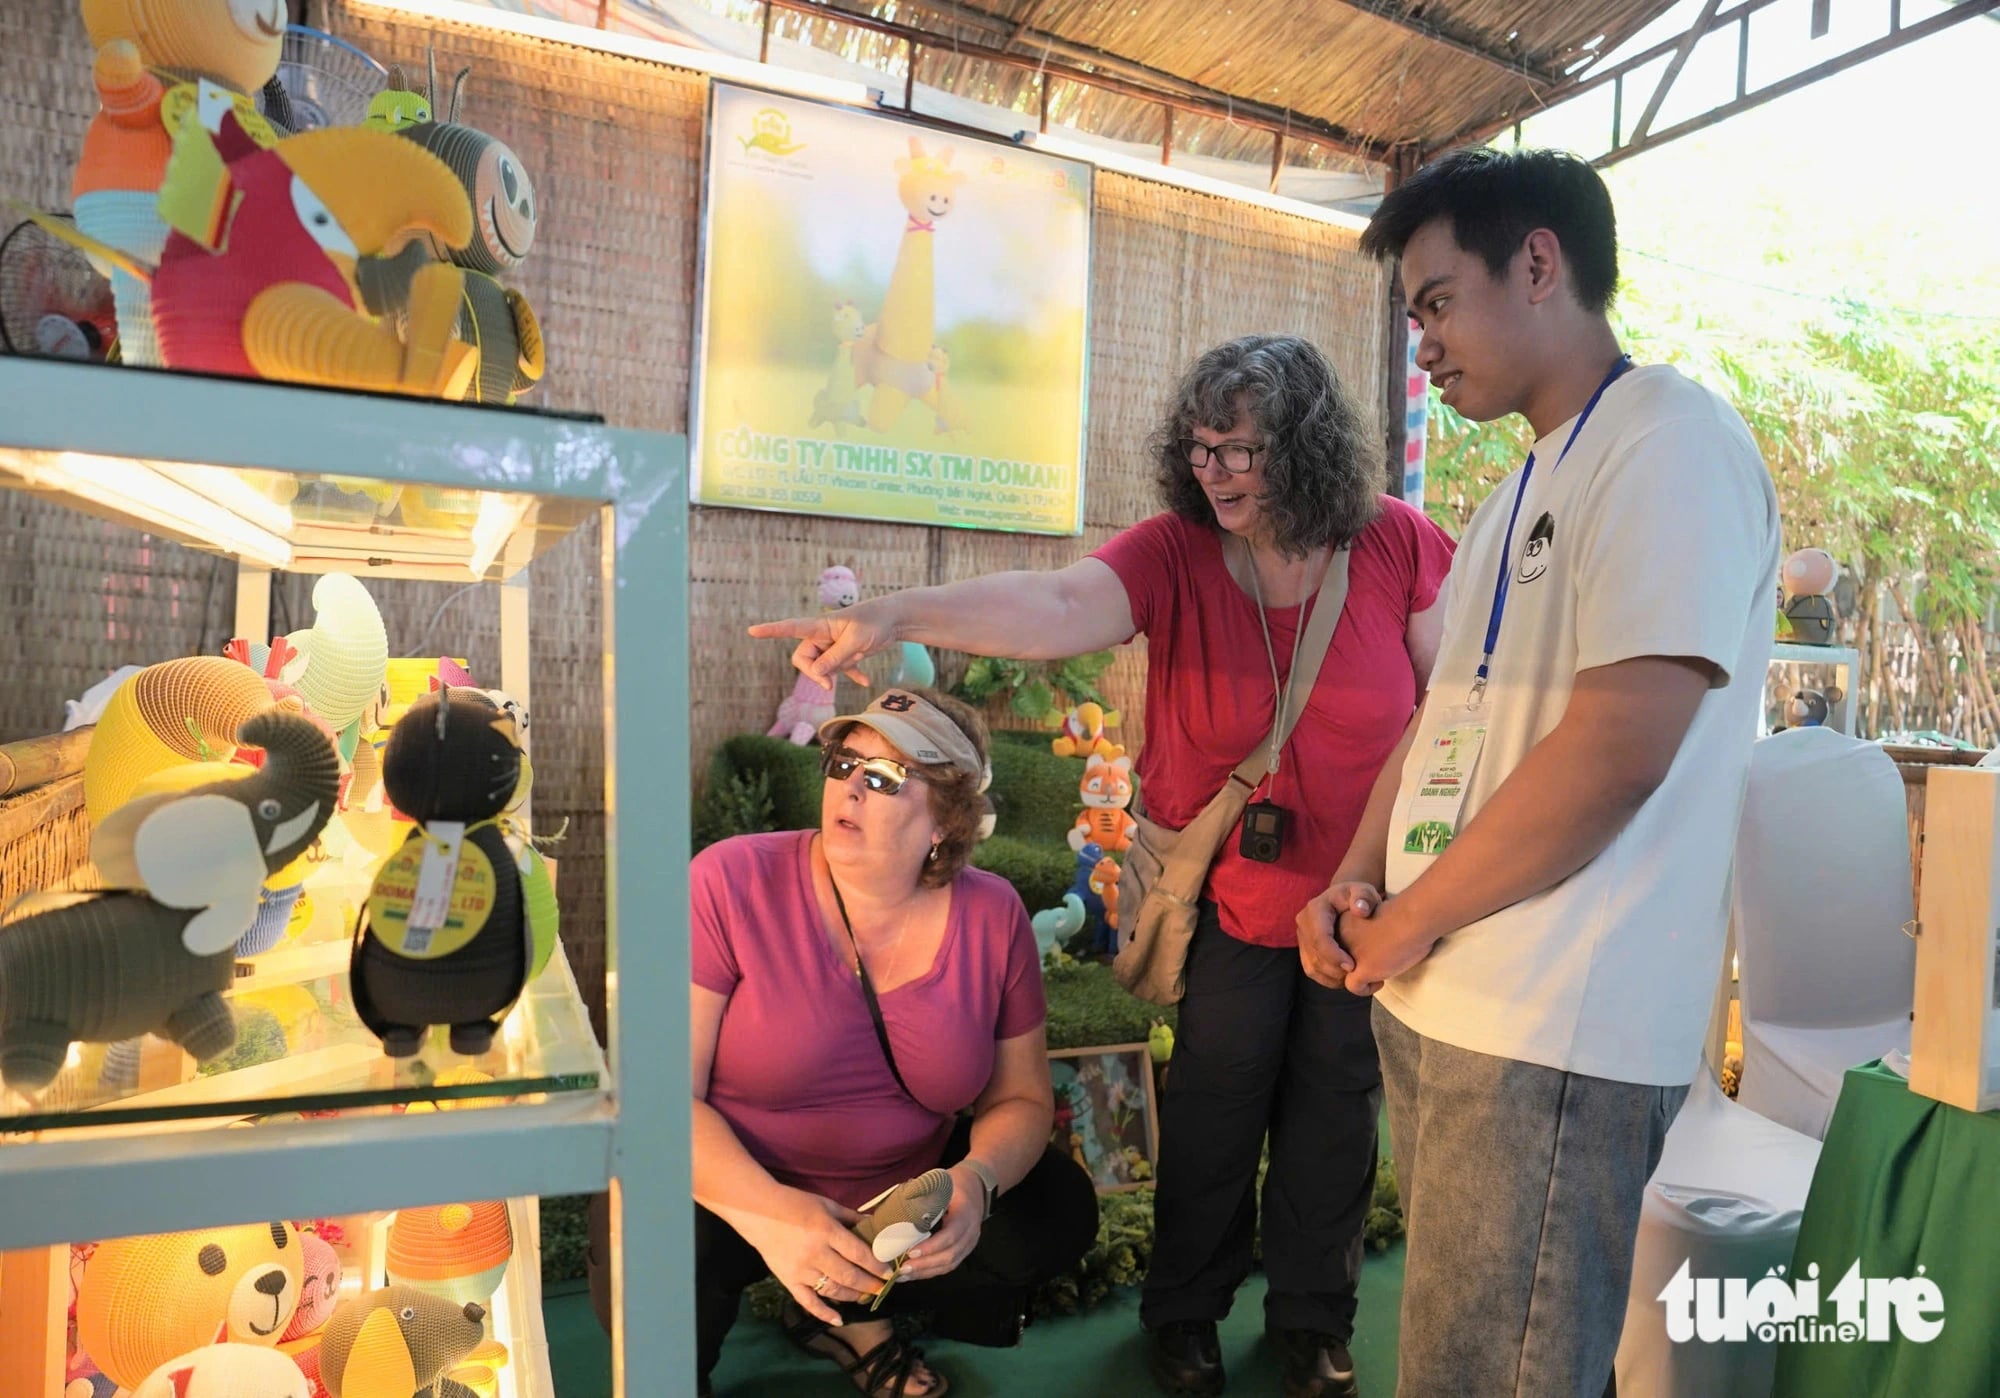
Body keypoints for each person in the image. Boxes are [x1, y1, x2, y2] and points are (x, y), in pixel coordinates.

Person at [753, 335, 1456, 1398]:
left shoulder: (1397, 543)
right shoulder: (1173, 551)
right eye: (1201, 448)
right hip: (1218, 901)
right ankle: (1183, 1316)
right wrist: (895, 615)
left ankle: (1313, 1323)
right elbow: (1054, 604)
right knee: (1213, 1114)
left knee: (1335, 1119)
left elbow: (1450, 704)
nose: (1215, 472)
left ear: (1306, 448)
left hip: (1357, 905)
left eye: (1242, 451)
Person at [1299, 148, 1781, 1397]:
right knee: (1469, 1360)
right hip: (1446, 993)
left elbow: (1619, 749)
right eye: (1412, 316)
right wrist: (1353, 881)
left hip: (1555, 1020)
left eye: (1435, 301)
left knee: (1493, 1376)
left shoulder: (1669, 438)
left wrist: (1402, 920)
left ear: (1537, 262)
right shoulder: (1520, 481)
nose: (1422, 344)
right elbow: (1437, 717)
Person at [691, 685, 1098, 1397]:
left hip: (897, 1200)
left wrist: (974, 1182)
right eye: (843, 764)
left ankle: (842, 1313)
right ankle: (752, 1325)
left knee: (1052, 1212)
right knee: (654, 1256)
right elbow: (660, 1102)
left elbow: (1024, 1098)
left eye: (882, 779)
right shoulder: (729, 880)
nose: (849, 788)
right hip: (732, 1188)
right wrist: (770, 1213)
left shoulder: (993, 915)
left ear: (946, 819)